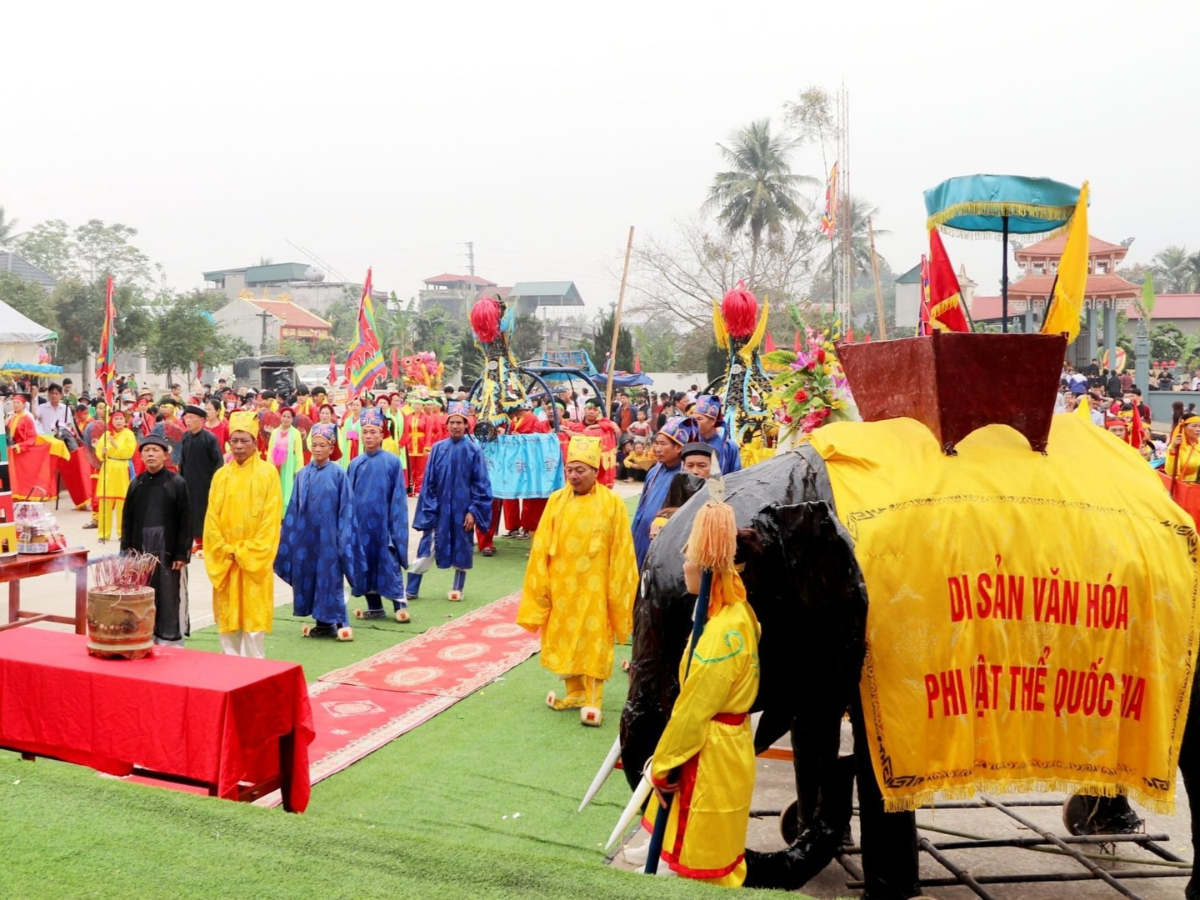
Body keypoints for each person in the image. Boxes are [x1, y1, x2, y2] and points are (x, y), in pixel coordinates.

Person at [649, 526, 762, 886]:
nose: (684, 566)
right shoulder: (738, 613)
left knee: (704, 863)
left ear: (713, 569)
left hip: (709, 752)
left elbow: (694, 708)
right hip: (727, 743)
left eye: (690, 558)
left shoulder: (720, 633)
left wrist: (665, 763)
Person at [516, 435, 637, 726]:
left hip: (596, 589)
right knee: (563, 639)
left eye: (580, 470)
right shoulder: (556, 501)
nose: (573, 475)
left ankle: (594, 699)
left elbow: (622, 549)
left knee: (594, 641)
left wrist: (618, 589)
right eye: (570, 469)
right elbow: (542, 544)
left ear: (596, 470)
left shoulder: (612, 503)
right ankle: (575, 693)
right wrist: (541, 584)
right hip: (561, 587)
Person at [203, 410, 283, 658]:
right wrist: (225, 551)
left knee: (253, 622)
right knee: (227, 623)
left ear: (255, 441)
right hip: (227, 561)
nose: (238, 446)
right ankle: (230, 671)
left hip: (252, 564)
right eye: (234, 441)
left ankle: (255, 674)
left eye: (244, 440)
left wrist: (246, 552)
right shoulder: (221, 476)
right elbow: (211, 521)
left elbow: (270, 522)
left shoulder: (268, 473)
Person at [275, 423, 356, 640]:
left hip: (329, 538)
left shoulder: (339, 474)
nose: (317, 449)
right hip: (305, 537)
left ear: (332, 448)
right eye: (314, 445)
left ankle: (341, 622)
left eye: (322, 445)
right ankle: (322, 623)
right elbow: (293, 507)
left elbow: (346, 508)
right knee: (309, 576)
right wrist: (289, 537)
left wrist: (342, 537)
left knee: (330, 578)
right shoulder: (302, 475)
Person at [407, 401, 493, 602]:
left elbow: (481, 483)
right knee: (427, 548)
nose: (455, 426)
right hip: (439, 510)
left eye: (459, 422)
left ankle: (457, 588)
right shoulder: (437, 449)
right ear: (446, 424)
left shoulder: (474, 450)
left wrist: (473, 511)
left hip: (463, 511)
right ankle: (411, 588)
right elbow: (428, 482)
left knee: (462, 547)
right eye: (452, 422)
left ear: (466, 425)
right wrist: (430, 509)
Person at [121, 433, 192, 646]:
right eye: (146, 450)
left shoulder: (176, 483)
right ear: (141, 455)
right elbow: (127, 520)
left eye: (155, 450)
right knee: (142, 591)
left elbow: (186, 519)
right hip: (141, 548)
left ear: (165, 455)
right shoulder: (136, 484)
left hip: (167, 549)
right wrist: (126, 552)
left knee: (169, 593)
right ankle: (144, 635)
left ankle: (169, 640)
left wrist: (182, 552)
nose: (151, 454)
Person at [347, 407, 410, 623]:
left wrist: (395, 524)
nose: (369, 436)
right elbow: (349, 497)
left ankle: (400, 604)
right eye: (365, 432)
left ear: (382, 434)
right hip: (362, 524)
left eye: (373, 432)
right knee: (365, 562)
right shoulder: (355, 464)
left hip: (384, 524)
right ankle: (374, 607)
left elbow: (399, 496)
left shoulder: (392, 462)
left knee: (389, 561)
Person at [631, 417, 690, 568]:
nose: (657, 449)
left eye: (663, 444)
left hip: (666, 541)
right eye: (656, 443)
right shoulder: (654, 471)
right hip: (643, 537)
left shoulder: (686, 476)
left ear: (679, 447)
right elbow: (641, 508)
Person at [179, 404, 224, 555]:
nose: (188, 421)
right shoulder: (186, 436)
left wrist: (215, 483)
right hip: (189, 481)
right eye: (186, 418)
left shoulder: (209, 438)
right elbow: (183, 461)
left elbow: (218, 462)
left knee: (204, 512)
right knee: (190, 513)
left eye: (191, 418)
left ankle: (206, 543)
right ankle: (197, 542)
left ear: (201, 420)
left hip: (205, 483)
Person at [95, 408, 138, 542]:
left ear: (125, 420)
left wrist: (115, 445)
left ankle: (122, 533)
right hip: (108, 469)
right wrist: (102, 452)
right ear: (111, 421)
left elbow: (129, 452)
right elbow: (99, 452)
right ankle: (103, 533)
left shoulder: (129, 434)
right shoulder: (106, 434)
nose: (119, 421)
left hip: (122, 468)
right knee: (105, 503)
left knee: (122, 503)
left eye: (121, 419)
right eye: (116, 419)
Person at [564, 399, 621, 487]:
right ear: (584, 409)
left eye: (595, 410)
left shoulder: (603, 425)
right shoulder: (575, 427)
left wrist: (591, 427)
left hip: (599, 467)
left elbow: (609, 424)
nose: (591, 412)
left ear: (599, 412)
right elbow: (581, 438)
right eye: (589, 409)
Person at [267, 407, 305, 514]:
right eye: (284, 416)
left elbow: (299, 452)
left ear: (292, 419)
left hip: (289, 463)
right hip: (276, 463)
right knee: (276, 487)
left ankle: (286, 512)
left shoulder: (296, 433)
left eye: (289, 417)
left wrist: (298, 469)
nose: (286, 419)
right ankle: (276, 511)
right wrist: (269, 465)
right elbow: (270, 449)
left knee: (288, 487)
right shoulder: (275, 432)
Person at [692, 395, 742, 474]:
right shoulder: (691, 444)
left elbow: (737, 477)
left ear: (712, 421)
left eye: (699, 419)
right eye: (693, 419)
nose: (695, 422)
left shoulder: (729, 446)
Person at [1166, 410, 1200, 481]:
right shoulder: (1177, 446)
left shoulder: (1198, 443)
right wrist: (1173, 449)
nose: (1198, 429)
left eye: (1199, 426)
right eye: (1194, 426)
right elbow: (1172, 472)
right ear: (1183, 427)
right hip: (1184, 486)